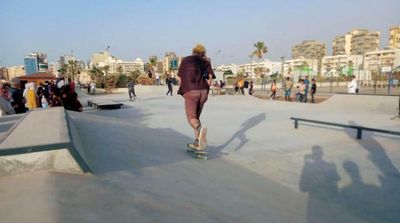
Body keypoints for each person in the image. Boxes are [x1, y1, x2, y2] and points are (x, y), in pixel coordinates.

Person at [177, 44, 215, 150]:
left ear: (193, 51)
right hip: (203, 91)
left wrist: (183, 89)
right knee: (196, 117)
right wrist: (206, 88)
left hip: (191, 91)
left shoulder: (186, 60)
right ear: (203, 52)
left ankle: (199, 130)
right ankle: (198, 141)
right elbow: (210, 77)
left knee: (192, 118)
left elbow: (180, 78)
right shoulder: (206, 61)